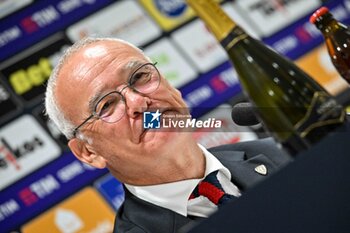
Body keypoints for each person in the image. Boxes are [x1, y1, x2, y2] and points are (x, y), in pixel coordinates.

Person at [45, 37, 291, 233]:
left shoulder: (286, 152)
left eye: (140, 77)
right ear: (89, 152)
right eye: (107, 105)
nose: (139, 102)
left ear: (171, 85)